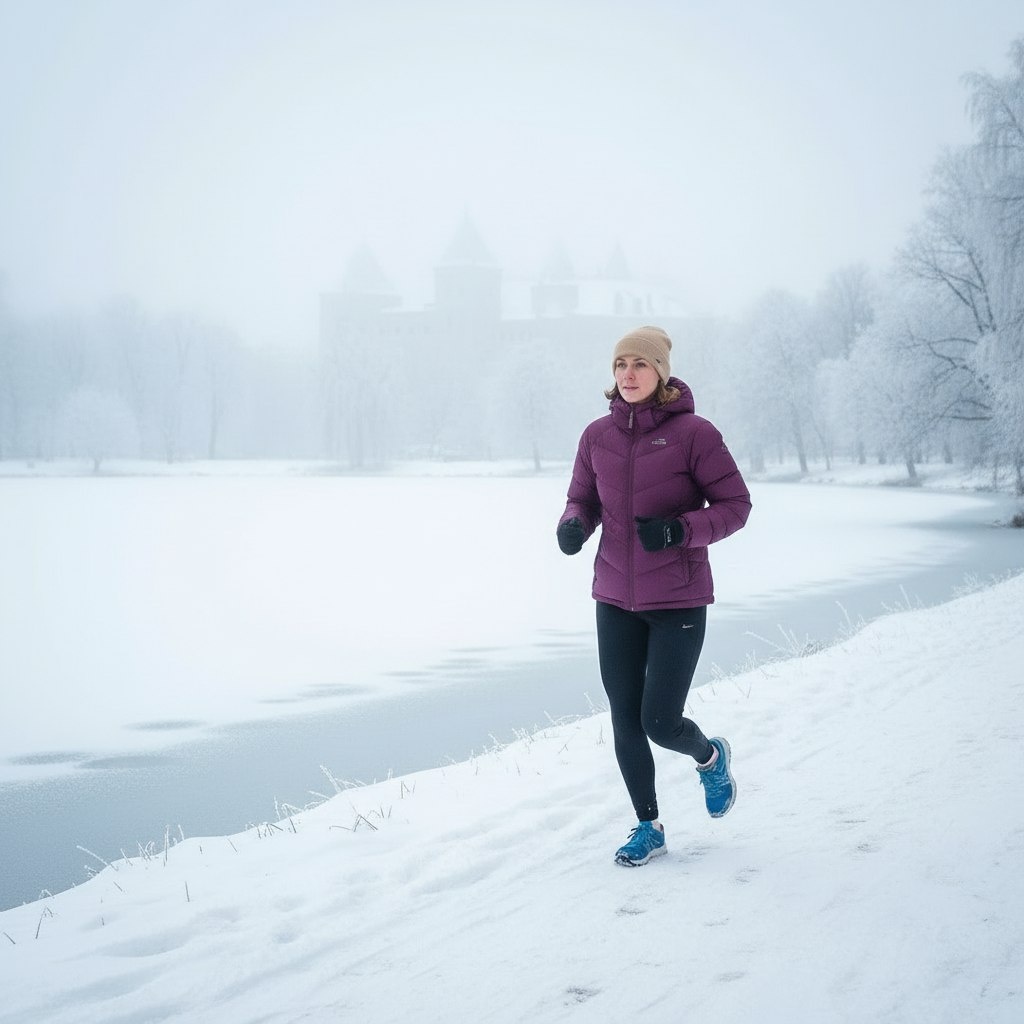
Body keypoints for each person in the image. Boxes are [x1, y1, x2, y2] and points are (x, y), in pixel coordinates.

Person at [556, 325, 752, 866]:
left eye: (639, 365)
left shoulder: (695, 434)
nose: (628, 374)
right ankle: (649, 826)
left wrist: (679, 531)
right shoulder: (597, 435)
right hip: (615, 597)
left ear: (660, 372)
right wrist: (573, 524)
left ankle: (710, 758)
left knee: (659, 720)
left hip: (678, 599)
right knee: (625, 716)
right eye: (621, 365)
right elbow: (582, 498)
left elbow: (735, 505)